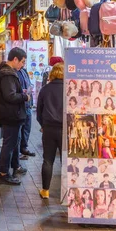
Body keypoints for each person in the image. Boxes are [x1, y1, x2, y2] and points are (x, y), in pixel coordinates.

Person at [0, 48, 29, 185]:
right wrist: (25, 96)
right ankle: (3, 173)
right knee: (9, 144)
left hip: (10, 114)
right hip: (11, 114)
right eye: (22, 62)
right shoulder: (7, 75)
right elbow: (10, 96)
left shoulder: (3, 71)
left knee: (15, 141)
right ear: (15, 59)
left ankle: (15, 165)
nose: (23, 65)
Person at [36, 62, 64, 199]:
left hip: (48, 128)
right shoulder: (70, 89)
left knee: (48, 160)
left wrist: (43, 124)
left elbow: (39, 111)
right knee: (65, 160)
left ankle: (45, 190)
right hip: (64, 129)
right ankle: (66, 190)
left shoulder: (45, 89)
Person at [17, 64, 36, 158]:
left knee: (27, 127)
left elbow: (28, 85)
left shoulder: (24, 71)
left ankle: (24, 148)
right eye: (22, 61)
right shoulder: (14, 73)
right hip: (20, 104)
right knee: (20, 129)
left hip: (27, 104)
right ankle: (19, 151)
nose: (23, 63)